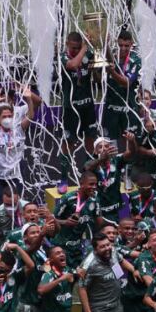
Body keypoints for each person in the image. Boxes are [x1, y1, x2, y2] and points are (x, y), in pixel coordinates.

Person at [0, 85, 39, 208]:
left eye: (9, 116)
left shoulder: (19, 129)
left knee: (16, 208)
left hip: (15, 177)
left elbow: (30, 116)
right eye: (4, 117)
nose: (7, 119)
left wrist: (29, 99)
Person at [58, 31, 96, 193]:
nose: (75, 50)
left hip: (87, 105)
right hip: (70, 108)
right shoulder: (62, 57)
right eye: (73, 48)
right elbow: (72, 65)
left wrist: (100, 43)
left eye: (78, 48)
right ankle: (63, 177)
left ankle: (88, 174)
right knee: (69, 143)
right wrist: (84, 48)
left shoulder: (88, 54)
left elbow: (98, 72)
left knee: (90, 140)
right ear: (67, 44)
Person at [51, 171, 104, 269]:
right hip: (62, 246)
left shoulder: (94, 200)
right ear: (82, 184)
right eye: (91, 184)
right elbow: (51, 220)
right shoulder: (68, 198)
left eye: (95, 184)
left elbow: (99, 224)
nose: (94, 187)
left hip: (78, 248)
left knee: (80, 274)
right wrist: (65, 222)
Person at [102, 29, 142, 141]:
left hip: (129, 108)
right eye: (120, 45)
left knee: (130, 142)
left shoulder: (136, 60)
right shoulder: (110, 57)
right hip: (111, 108)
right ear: (117, 43)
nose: (123, 48)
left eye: (126, 46)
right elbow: (97, 79)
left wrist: (112, 72)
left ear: (131, 44)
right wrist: (104, 44)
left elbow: (126, 83)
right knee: (110, 144)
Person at [85, 136, 133, 225]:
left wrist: (132, 141)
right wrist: (101, 159)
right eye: (100, 147)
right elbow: (86, 168)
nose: (104, 149)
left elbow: (131, 153)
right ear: (95, 151)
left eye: (107, 146)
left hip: (116, 210)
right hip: (98, 212)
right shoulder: (92, 164)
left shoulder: (116, 161)